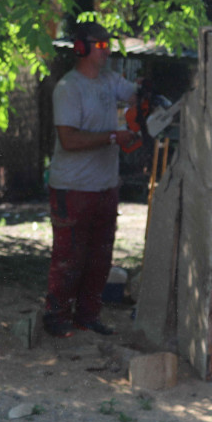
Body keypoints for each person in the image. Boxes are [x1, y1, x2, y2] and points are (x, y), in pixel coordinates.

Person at [43, 21, 137, 338]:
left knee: (100, 258)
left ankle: (87, 315)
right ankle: (56, 318)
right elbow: (68, 140)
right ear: (81, 48)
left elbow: (135, 95)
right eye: (100, 45)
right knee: (69, 257)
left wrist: (148, 98)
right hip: (73, 186)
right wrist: (114, 136)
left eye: (107, 44)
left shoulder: (110, 81)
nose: (106, 50)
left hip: (104, 185)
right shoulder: (69, 88)